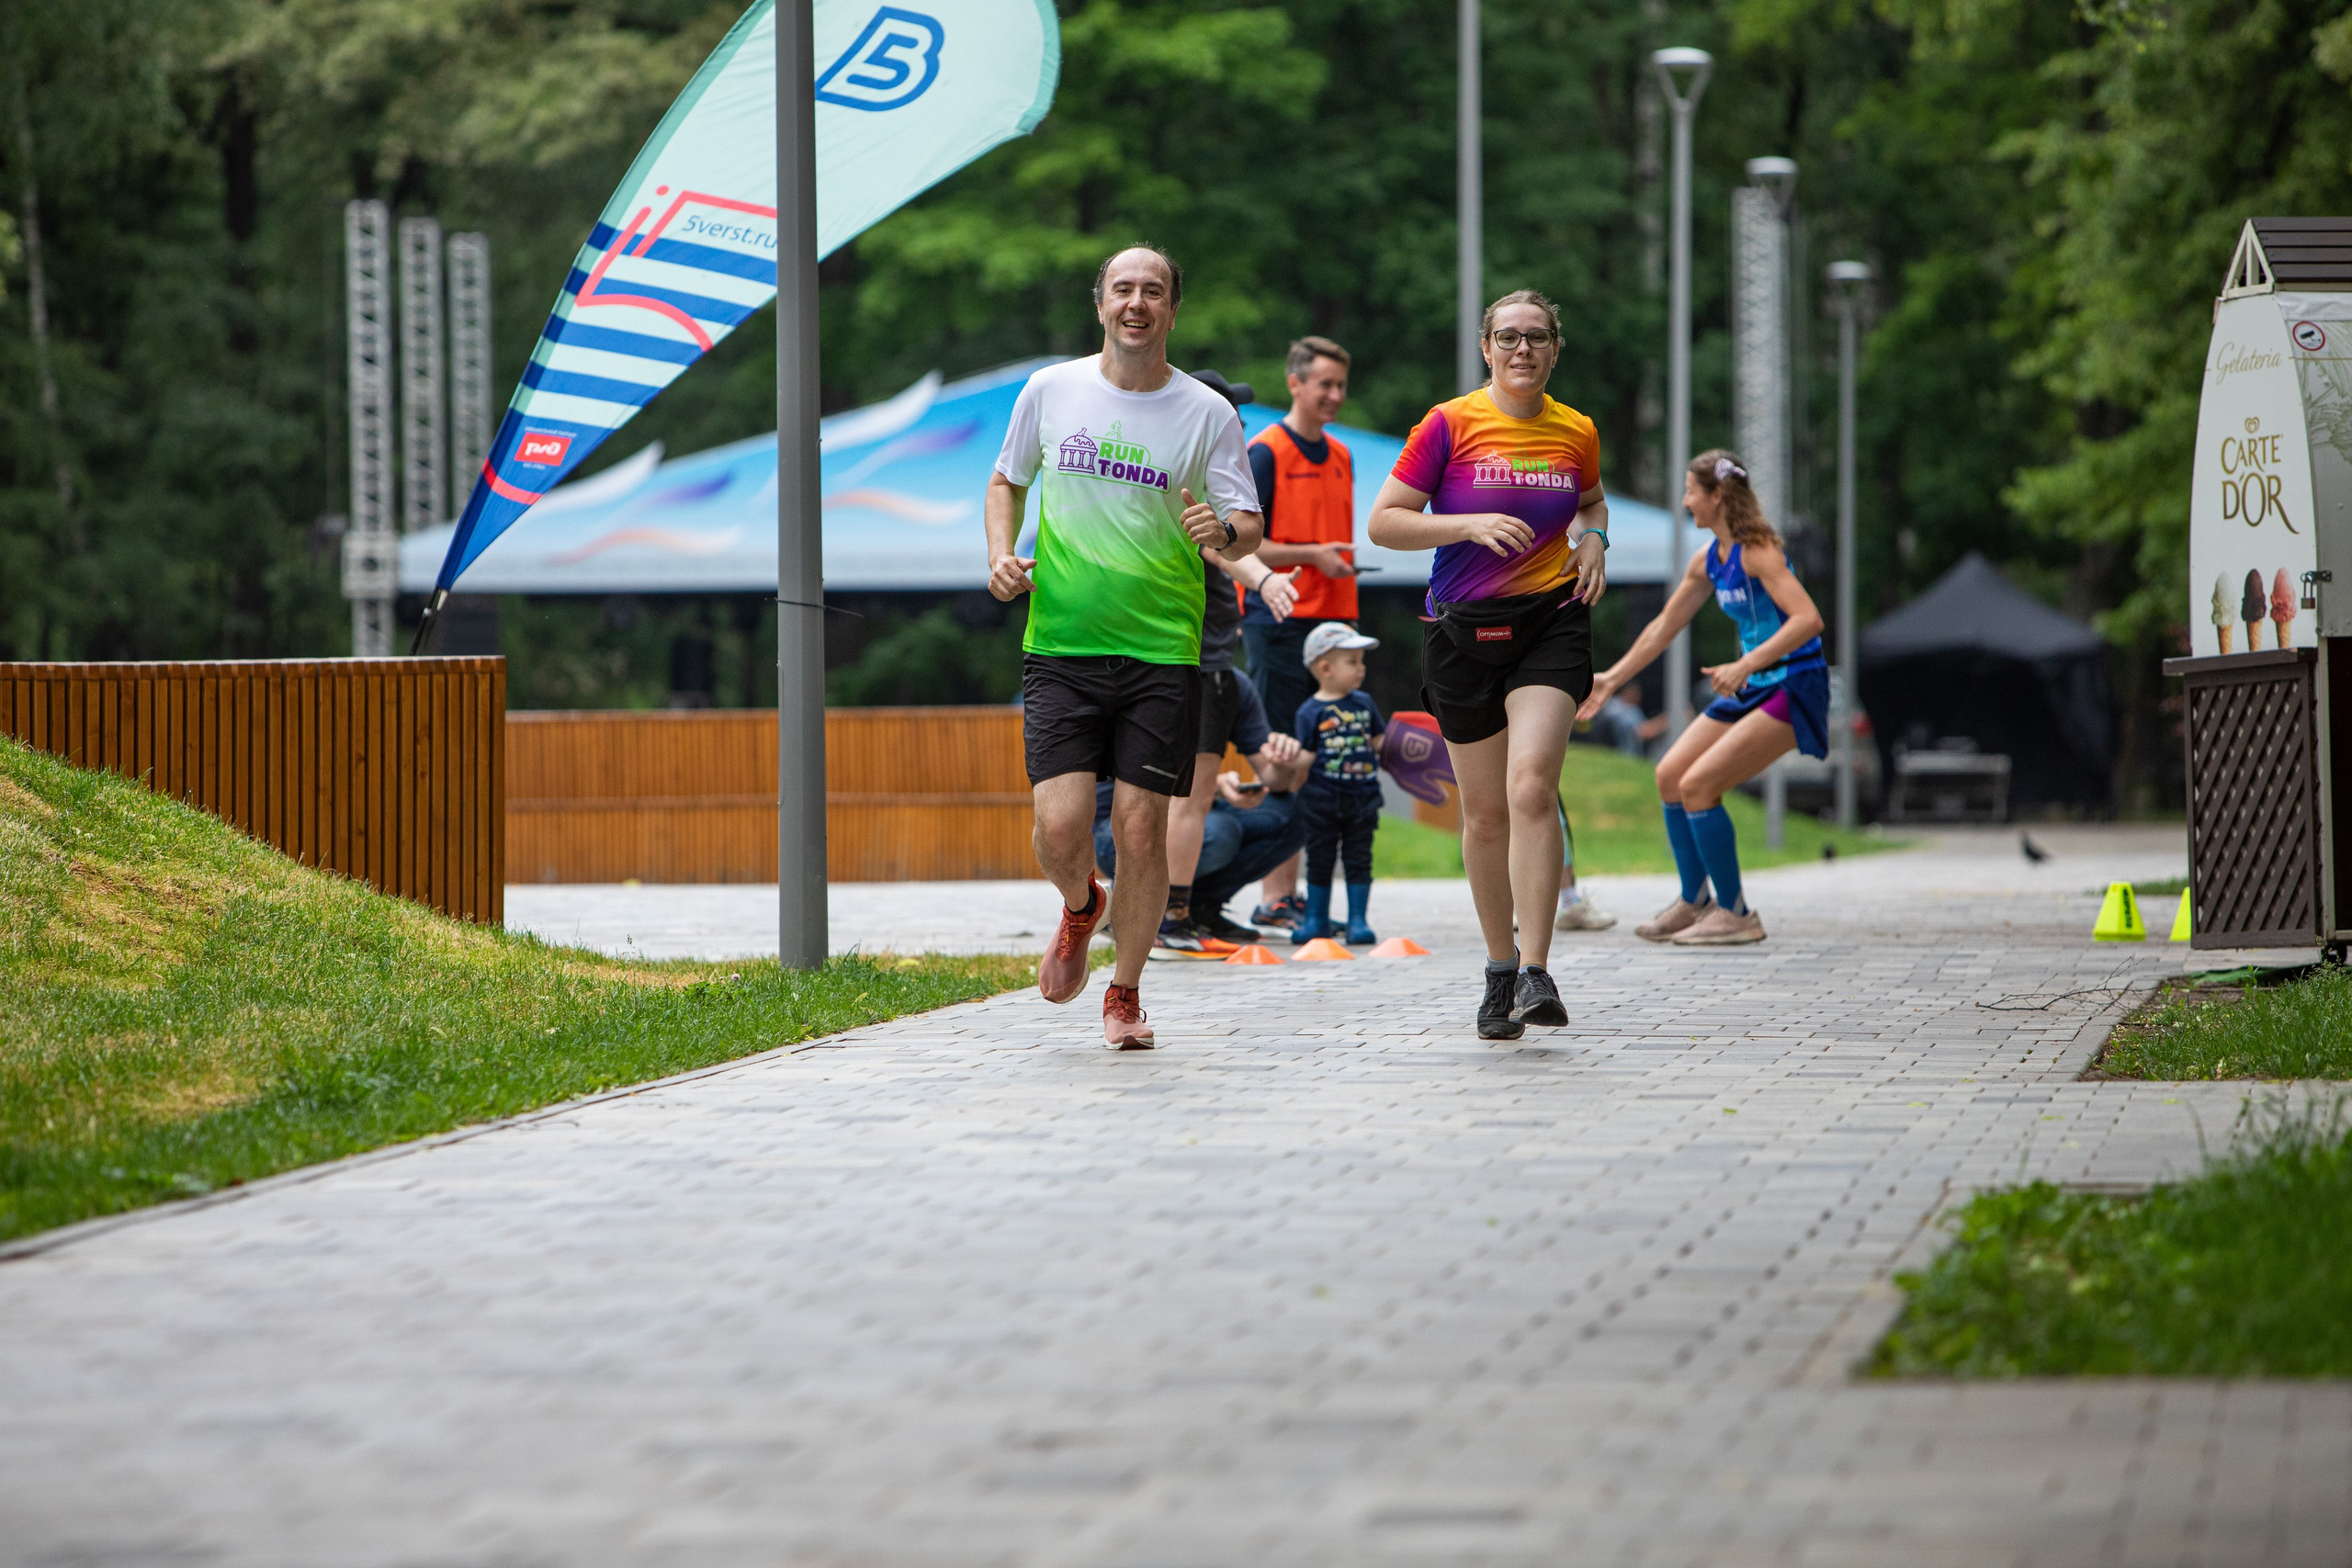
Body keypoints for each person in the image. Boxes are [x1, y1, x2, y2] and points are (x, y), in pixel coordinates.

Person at [986, 245, 1263, 1048]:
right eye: (1123, 289)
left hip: (1162, 650)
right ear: (1100, 303)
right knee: (1062, 826)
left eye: (1154, 291)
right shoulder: (1051, 389)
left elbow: (1246, 521)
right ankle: (1081, 906)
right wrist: (1001, 555)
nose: (1137, 303)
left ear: (1174, 309)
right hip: (1063, 641)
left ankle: (1127, 993)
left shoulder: (1207, 412)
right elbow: (1007, 480)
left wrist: (1224, 528)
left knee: (1140, 829)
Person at [1367, 288, 1609, 1041]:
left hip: (1552, 623)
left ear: (1556, 348)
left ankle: (1538, 968)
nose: (1523, 350)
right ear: (1486, 347)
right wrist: (1467, 522)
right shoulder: (1449, 424)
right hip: (1462, 631)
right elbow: (1384, 523)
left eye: (1537, 337)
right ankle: (1499, 967)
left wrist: (1593, 538)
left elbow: (1591, 502)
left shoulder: (1577, 430)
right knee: (1485, 813)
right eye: (1508, 337)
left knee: (1532, 784)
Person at [1577, 450, 1828, 946]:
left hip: (1792, 683)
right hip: (1753, 683)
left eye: (1692, 491)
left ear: (1717, 497)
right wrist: (1610, 679)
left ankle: (1736, 914)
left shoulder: (1759, 551)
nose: (1686, 501)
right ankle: (1696, 900)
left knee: (1698, 785)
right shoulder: (1710, 560)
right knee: (1669, 775)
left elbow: (1808, 620)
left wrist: (1745, 664)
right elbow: (1661, 629)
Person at [1155, 370, 1302, 956]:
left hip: (1206, 659)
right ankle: (1171, 916)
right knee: (1188, 802)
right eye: (1230, 414)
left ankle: (1185, 911)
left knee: (1193, 798)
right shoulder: (1192, 479)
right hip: (1192, 659)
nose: (1238, 424)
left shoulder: (1202, 471)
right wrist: (1264, 579)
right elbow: (1218, 549)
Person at [1241, 336, 1358, 931]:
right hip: (1279, 622)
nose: (1334, 395)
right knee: (1282, 752)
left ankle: (1306, 899)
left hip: (1335, 624)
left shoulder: (1342, 455)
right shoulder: (1266, 452)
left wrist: (1335, 563)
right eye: (1324, 384)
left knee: (1323, 759)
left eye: (1341, 385)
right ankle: (1275, 895)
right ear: (1295, 383)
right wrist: (1313, 554)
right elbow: (1242, 543)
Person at [1092, 672, 1313, 950]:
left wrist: (1282, 763)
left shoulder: (1230, 683)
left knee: (1300, 813)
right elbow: (1142, 776)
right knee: (1221, 833)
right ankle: (1141, 906)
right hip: (1121, 822)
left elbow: (1273, 778)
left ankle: (1198, 909)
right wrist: (1214, 785)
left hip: (1198, 807)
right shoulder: (1144, 673)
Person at [1288, 622, 1386, 945]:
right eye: (1353, 661)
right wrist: (1284, 762)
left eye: (1361, 661)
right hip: (1321, 799)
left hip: (1362, 798)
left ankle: (1358, 920)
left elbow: (1379, 742)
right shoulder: (1308, 711)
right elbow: (1306, 755)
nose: (1361, 668)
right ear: (1325, 668)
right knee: (1320, 858)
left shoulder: (1365, 703)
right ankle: (1316, 920)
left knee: (1359, 858)